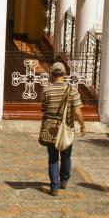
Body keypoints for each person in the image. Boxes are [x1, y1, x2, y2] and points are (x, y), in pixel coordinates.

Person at [41, 62, 85, 196]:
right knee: (66, 155)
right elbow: (77, 112)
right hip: (67, 127)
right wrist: (83, 125)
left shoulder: (46, 90)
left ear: (51, 74)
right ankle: (64, 180)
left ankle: (54, 186)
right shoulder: (72, 91)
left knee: (53, 157)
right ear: (64, 74)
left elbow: (44, 108)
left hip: (51, 129)